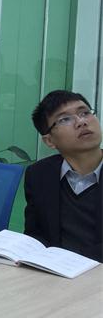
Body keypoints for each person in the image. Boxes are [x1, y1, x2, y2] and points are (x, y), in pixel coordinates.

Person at [24, 90, 101, 261]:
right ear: (49, 141)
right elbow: (35, 235)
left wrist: (70, 260)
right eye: (65, 119)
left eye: (85, 113)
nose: (81, 122)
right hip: (55, 271)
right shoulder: (39, 174)